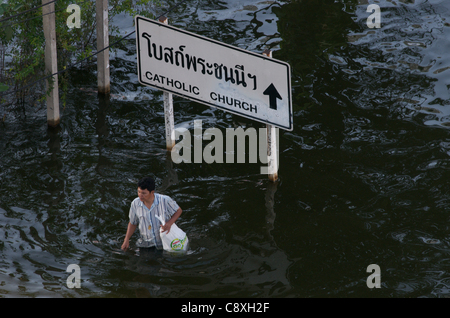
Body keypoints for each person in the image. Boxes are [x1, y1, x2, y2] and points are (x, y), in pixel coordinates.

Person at [121, 177, 182, 251]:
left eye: (143, 193)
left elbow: (178, 210)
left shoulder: (165, 200)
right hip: (146, 245)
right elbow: (133, 223)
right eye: (139, 192)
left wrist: (169, 223)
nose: (140, 195)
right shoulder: (135, 204)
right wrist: (126, 239)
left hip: (164, 243)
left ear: (152, 192)